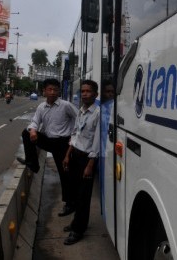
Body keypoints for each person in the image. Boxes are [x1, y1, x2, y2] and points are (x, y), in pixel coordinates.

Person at [18, 78, 78, 217]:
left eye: (55, 90)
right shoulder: (41, 107)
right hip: (48, 140)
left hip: (63, 143)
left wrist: (73, 137)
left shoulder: (66, 105)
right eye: (49, 89)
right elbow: (34, 121)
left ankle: (70, 203)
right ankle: (33, 163)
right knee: (26, 133)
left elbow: (78, 119)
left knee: (65, 173)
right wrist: (33, 130)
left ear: (59, 91)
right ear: (44, 91)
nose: (52, 92)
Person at [62, 79, 100, 245]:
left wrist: (90, 165)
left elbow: (97, 142)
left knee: (84, 197)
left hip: (87, 159)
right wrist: (67, 154)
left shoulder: (98, 113)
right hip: (75, 155)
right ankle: (76, 222)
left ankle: (78, 230)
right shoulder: (81, 111)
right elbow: (75, 133)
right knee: (76, 193)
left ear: (95, 94)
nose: (84, 94)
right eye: (82, 91)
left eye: (88, 91)